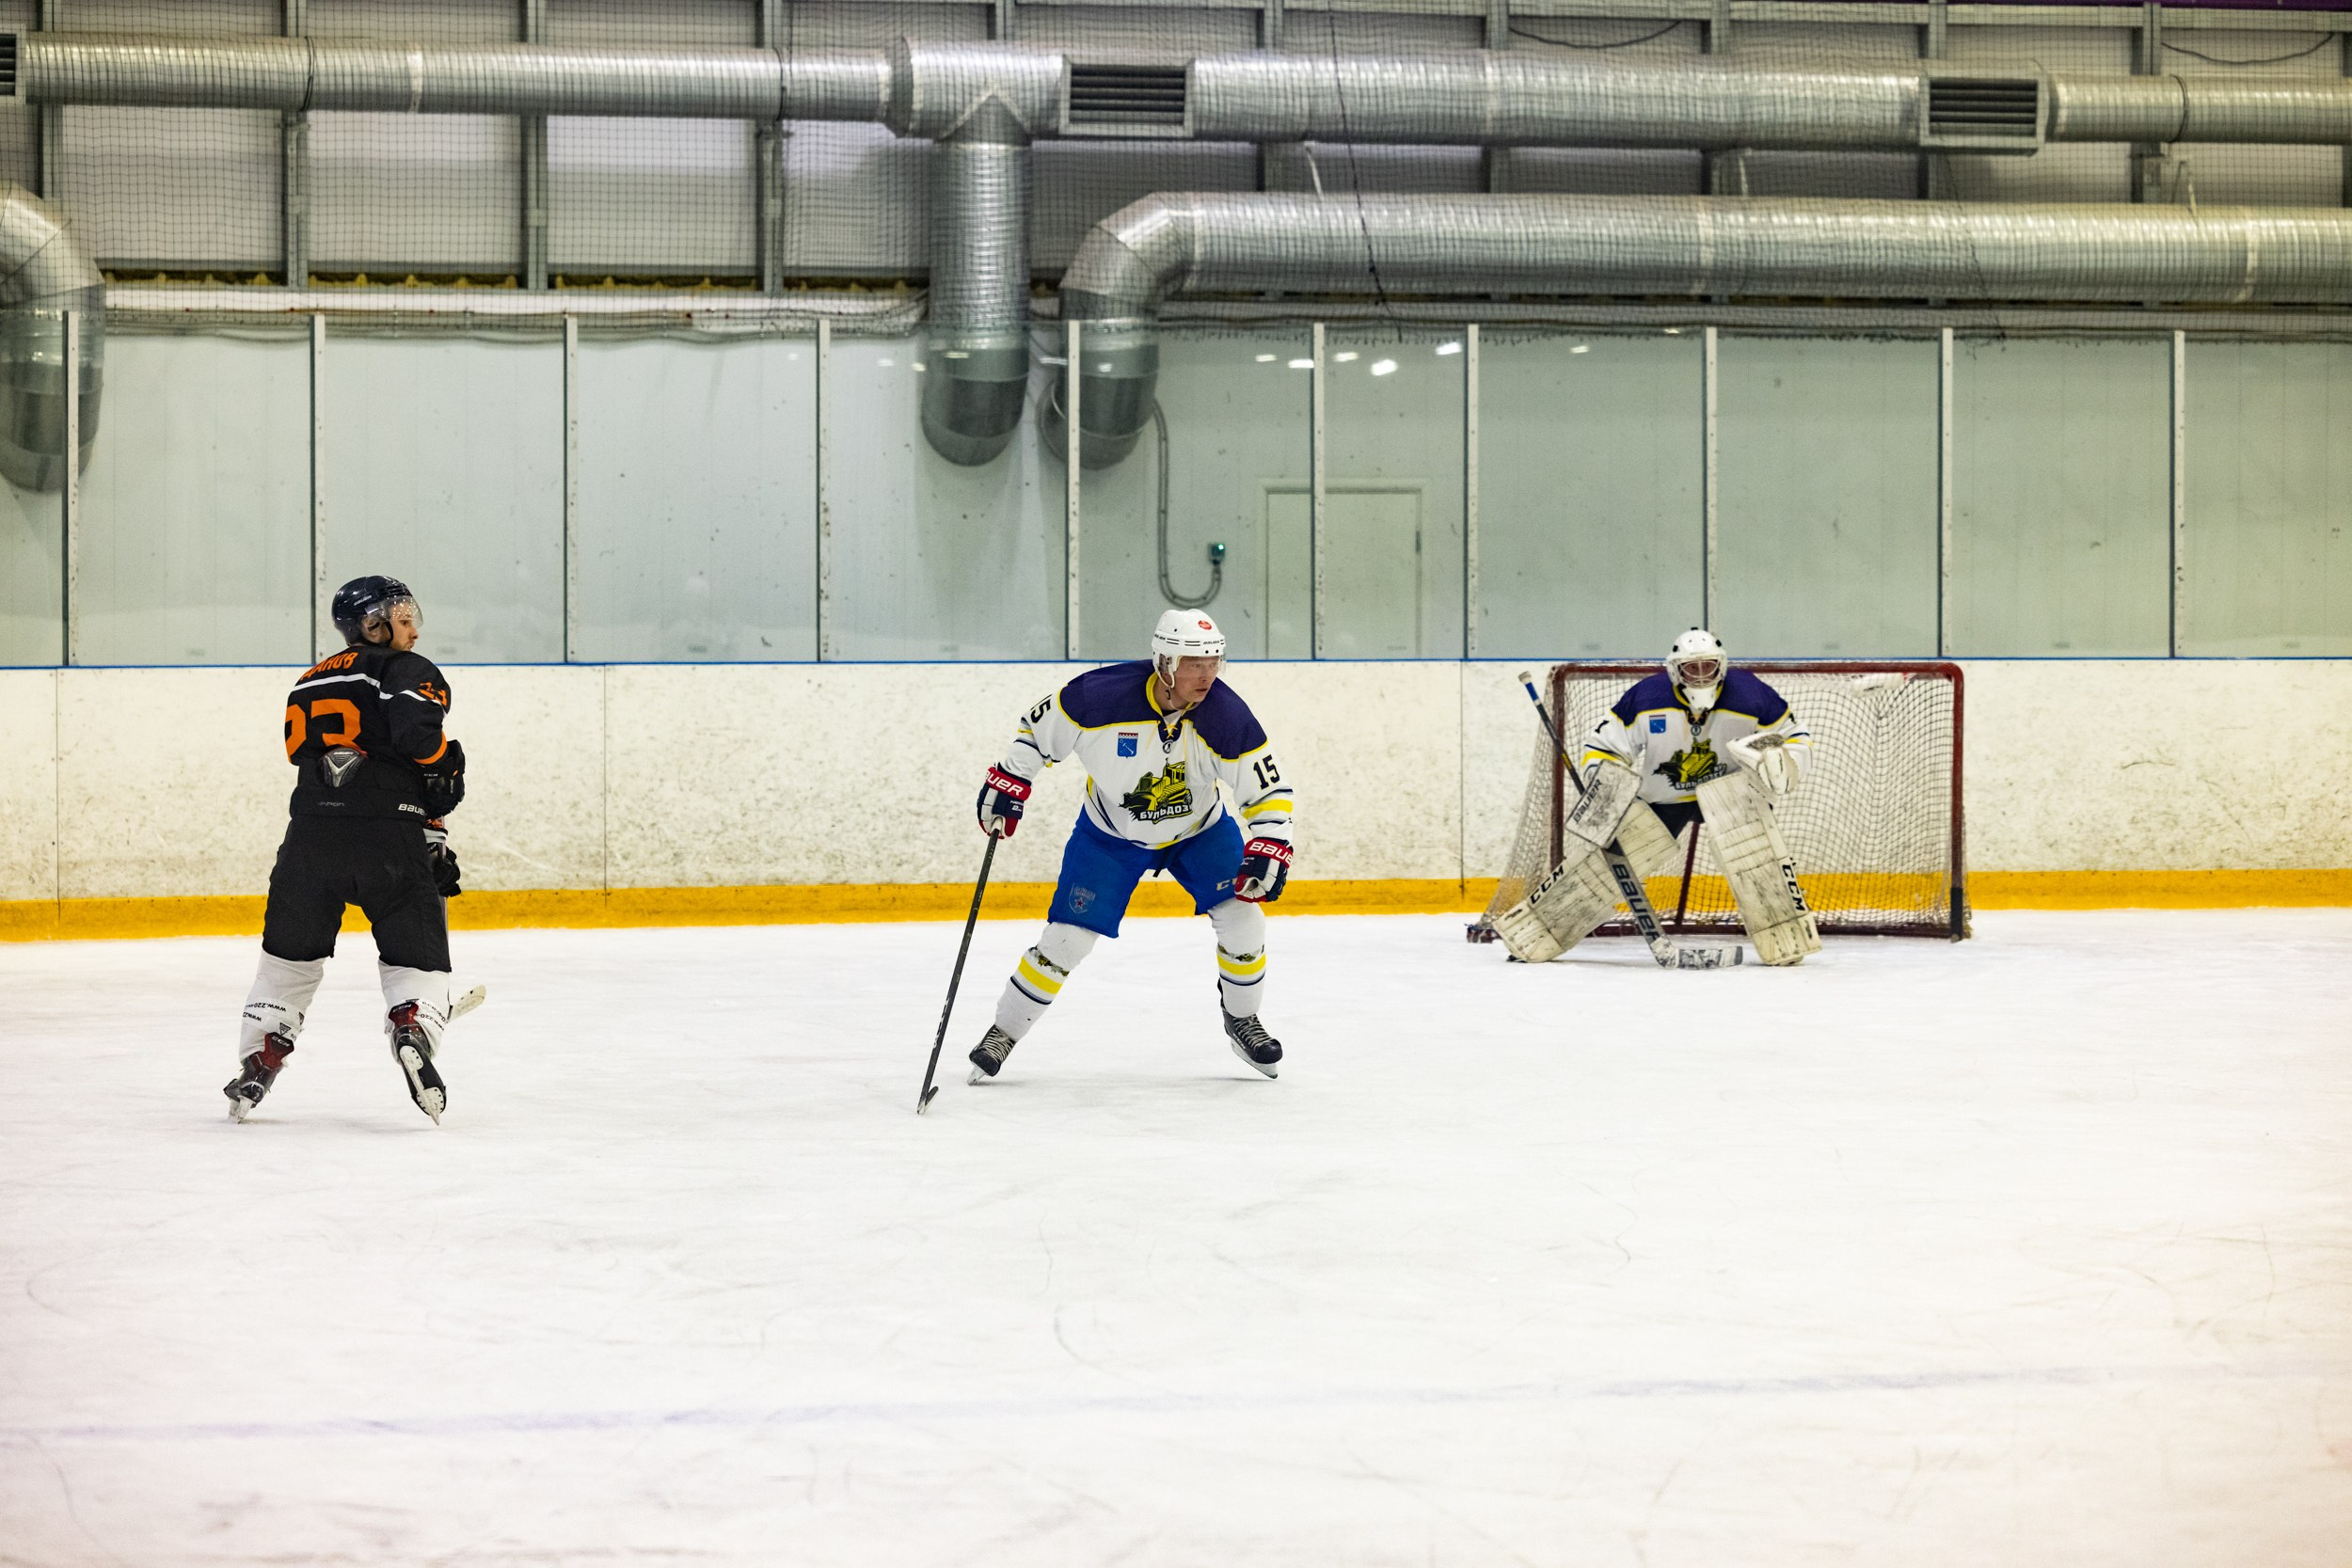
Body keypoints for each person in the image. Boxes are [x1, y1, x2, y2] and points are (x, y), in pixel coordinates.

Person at [966, 610, 1295, 1084]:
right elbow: (1037, 733)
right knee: (1067, 940)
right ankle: (1003, 1032)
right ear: (1163, 661)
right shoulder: (1096, 697)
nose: (1206, 674)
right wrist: (1010, 778)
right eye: (1192, 662)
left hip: (1199, 832)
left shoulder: (1226, 715)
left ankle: (1242, 1020)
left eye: (1213, 661)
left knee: (1244, 917)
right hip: (1110, 836)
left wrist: (1270, 841)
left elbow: (1268, 789)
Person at [224, 577, 468, 1123]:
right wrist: (443, 767)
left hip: (309, 836)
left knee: (287, 960)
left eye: (412, 613)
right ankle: (411, 1023)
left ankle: (261, 1056)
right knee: (415, 954)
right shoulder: (409, 669)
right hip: (387, 835)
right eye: (399, 616)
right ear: (370, 625)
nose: (414, 626)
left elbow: (304, 754)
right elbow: (415, 741)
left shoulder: (309, 679)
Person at [1577, 628, 1810, 839]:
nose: (1700, 675)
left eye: (1708, 666)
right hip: (1663, 798)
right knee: (1623, 855)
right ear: (1675, 670)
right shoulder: (1646, 698)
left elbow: (1794, 736)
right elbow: (1603, 748)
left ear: (1721, 666)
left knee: (1759, 857)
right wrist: (1604, 784)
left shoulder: (1751, 695)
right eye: (1691, 668)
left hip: (1733, 795)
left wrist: (1791, 764)